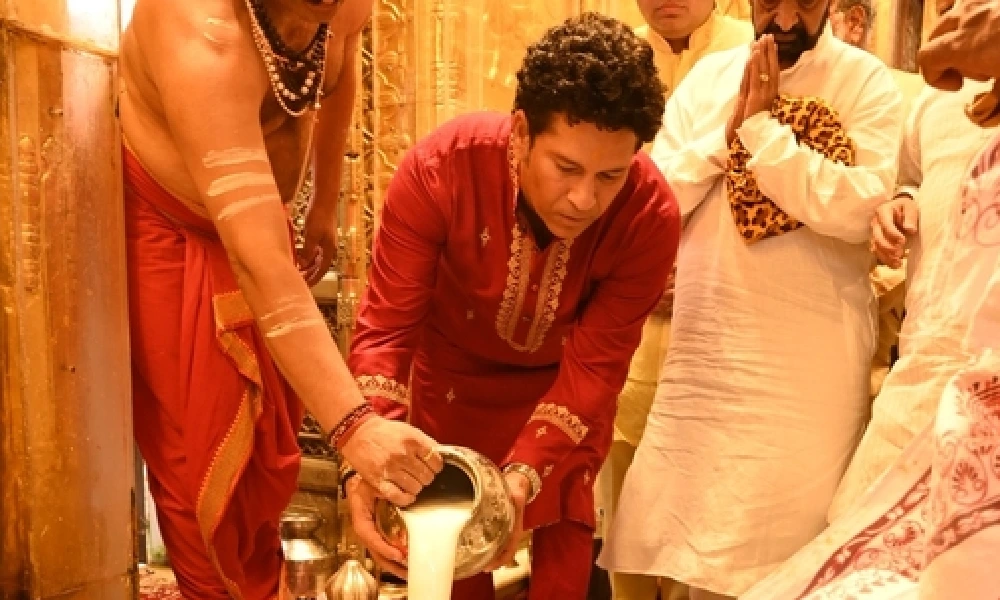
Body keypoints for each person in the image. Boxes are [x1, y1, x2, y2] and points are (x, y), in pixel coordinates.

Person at [342, 13, 680, 600]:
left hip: (566, 393)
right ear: (521, 131)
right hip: (452, 383)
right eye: (566, 168)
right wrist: (368, 451)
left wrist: (525, 473)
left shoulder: (649, 216)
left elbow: (597, 365)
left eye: (611, 175)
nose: (584, 199)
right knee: (450, 575)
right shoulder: (439, 170)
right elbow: (387, 329)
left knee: (563, 578)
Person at [119, 0, 443, 597]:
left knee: (268, 471)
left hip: (267, 232)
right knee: (205, 480)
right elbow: (259, 262)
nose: (318, 20)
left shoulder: (342, 6)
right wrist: (355, 429)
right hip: (175, 234)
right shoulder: (198, 29)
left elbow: (339, 70)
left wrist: (321, 200)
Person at [600, 1, 903, 598]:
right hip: (707, 364)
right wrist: (728, 135)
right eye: (770, 2)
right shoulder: (712, 81)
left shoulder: (867, 82)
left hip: (808, 377)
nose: (785, 18)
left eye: (804, 3)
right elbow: (651, 197)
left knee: (793, 568)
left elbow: (857, 208)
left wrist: (763, 133)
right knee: (692, 556)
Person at [743, 5, 1000, 596]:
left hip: (987, 387)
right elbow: (909, 176)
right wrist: (900, 203)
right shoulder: (935, 101)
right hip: (923, 368)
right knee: (850, 546)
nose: (953, 11)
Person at [600, 3, 751, 600]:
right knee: (629, 537)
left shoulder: (758, 55)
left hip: (728, 348)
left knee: (712, 550)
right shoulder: (608, 60)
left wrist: (693, 272)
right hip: (628, 348)